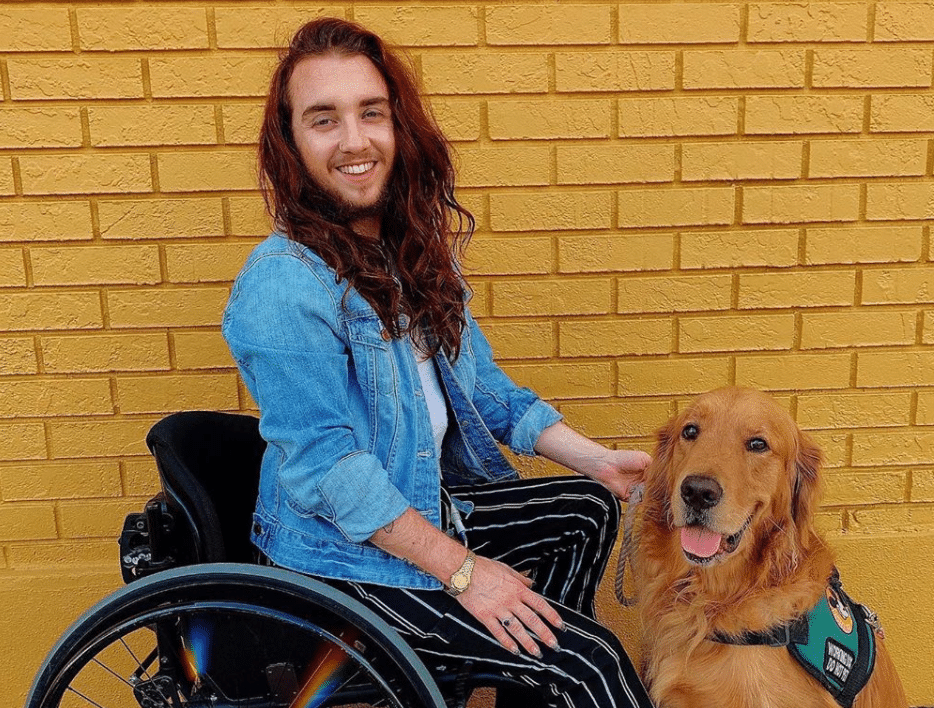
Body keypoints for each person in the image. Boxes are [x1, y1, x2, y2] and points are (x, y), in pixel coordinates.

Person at [222, 17, 654, 708]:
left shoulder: (409, 253)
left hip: (416, 504)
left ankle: (530, 678)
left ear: (400, 126)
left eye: (371, 113)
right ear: (292, 144)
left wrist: (597, 460)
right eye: (323, 119)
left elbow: (485, 392)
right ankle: (553, 668)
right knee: (590, 660)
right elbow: (334, 473)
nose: (355, 140)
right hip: (344, 561)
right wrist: (467, 575)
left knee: (584, 507)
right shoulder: (284, 285)